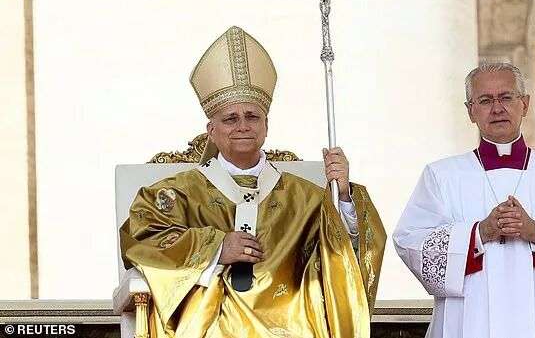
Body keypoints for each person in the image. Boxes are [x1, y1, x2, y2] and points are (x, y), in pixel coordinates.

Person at [120, 26, 385, 338]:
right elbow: (142, 239)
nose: (243, 126)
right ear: (211, 130)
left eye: (252, 117)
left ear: (266, 126)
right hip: (208, 321)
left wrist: (344, 195)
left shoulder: (305, 198)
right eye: (230, 119)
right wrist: (215, 247)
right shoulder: (175, 194)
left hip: (291, 322)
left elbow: (345, 258)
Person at [392, 62, 535, 338]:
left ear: (525, 104)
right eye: (485, 100)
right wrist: (479, 233)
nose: (497, 108)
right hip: (467, 322)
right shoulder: (441, 175)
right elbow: (410, 241)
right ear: (470, 111)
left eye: (506, 97)